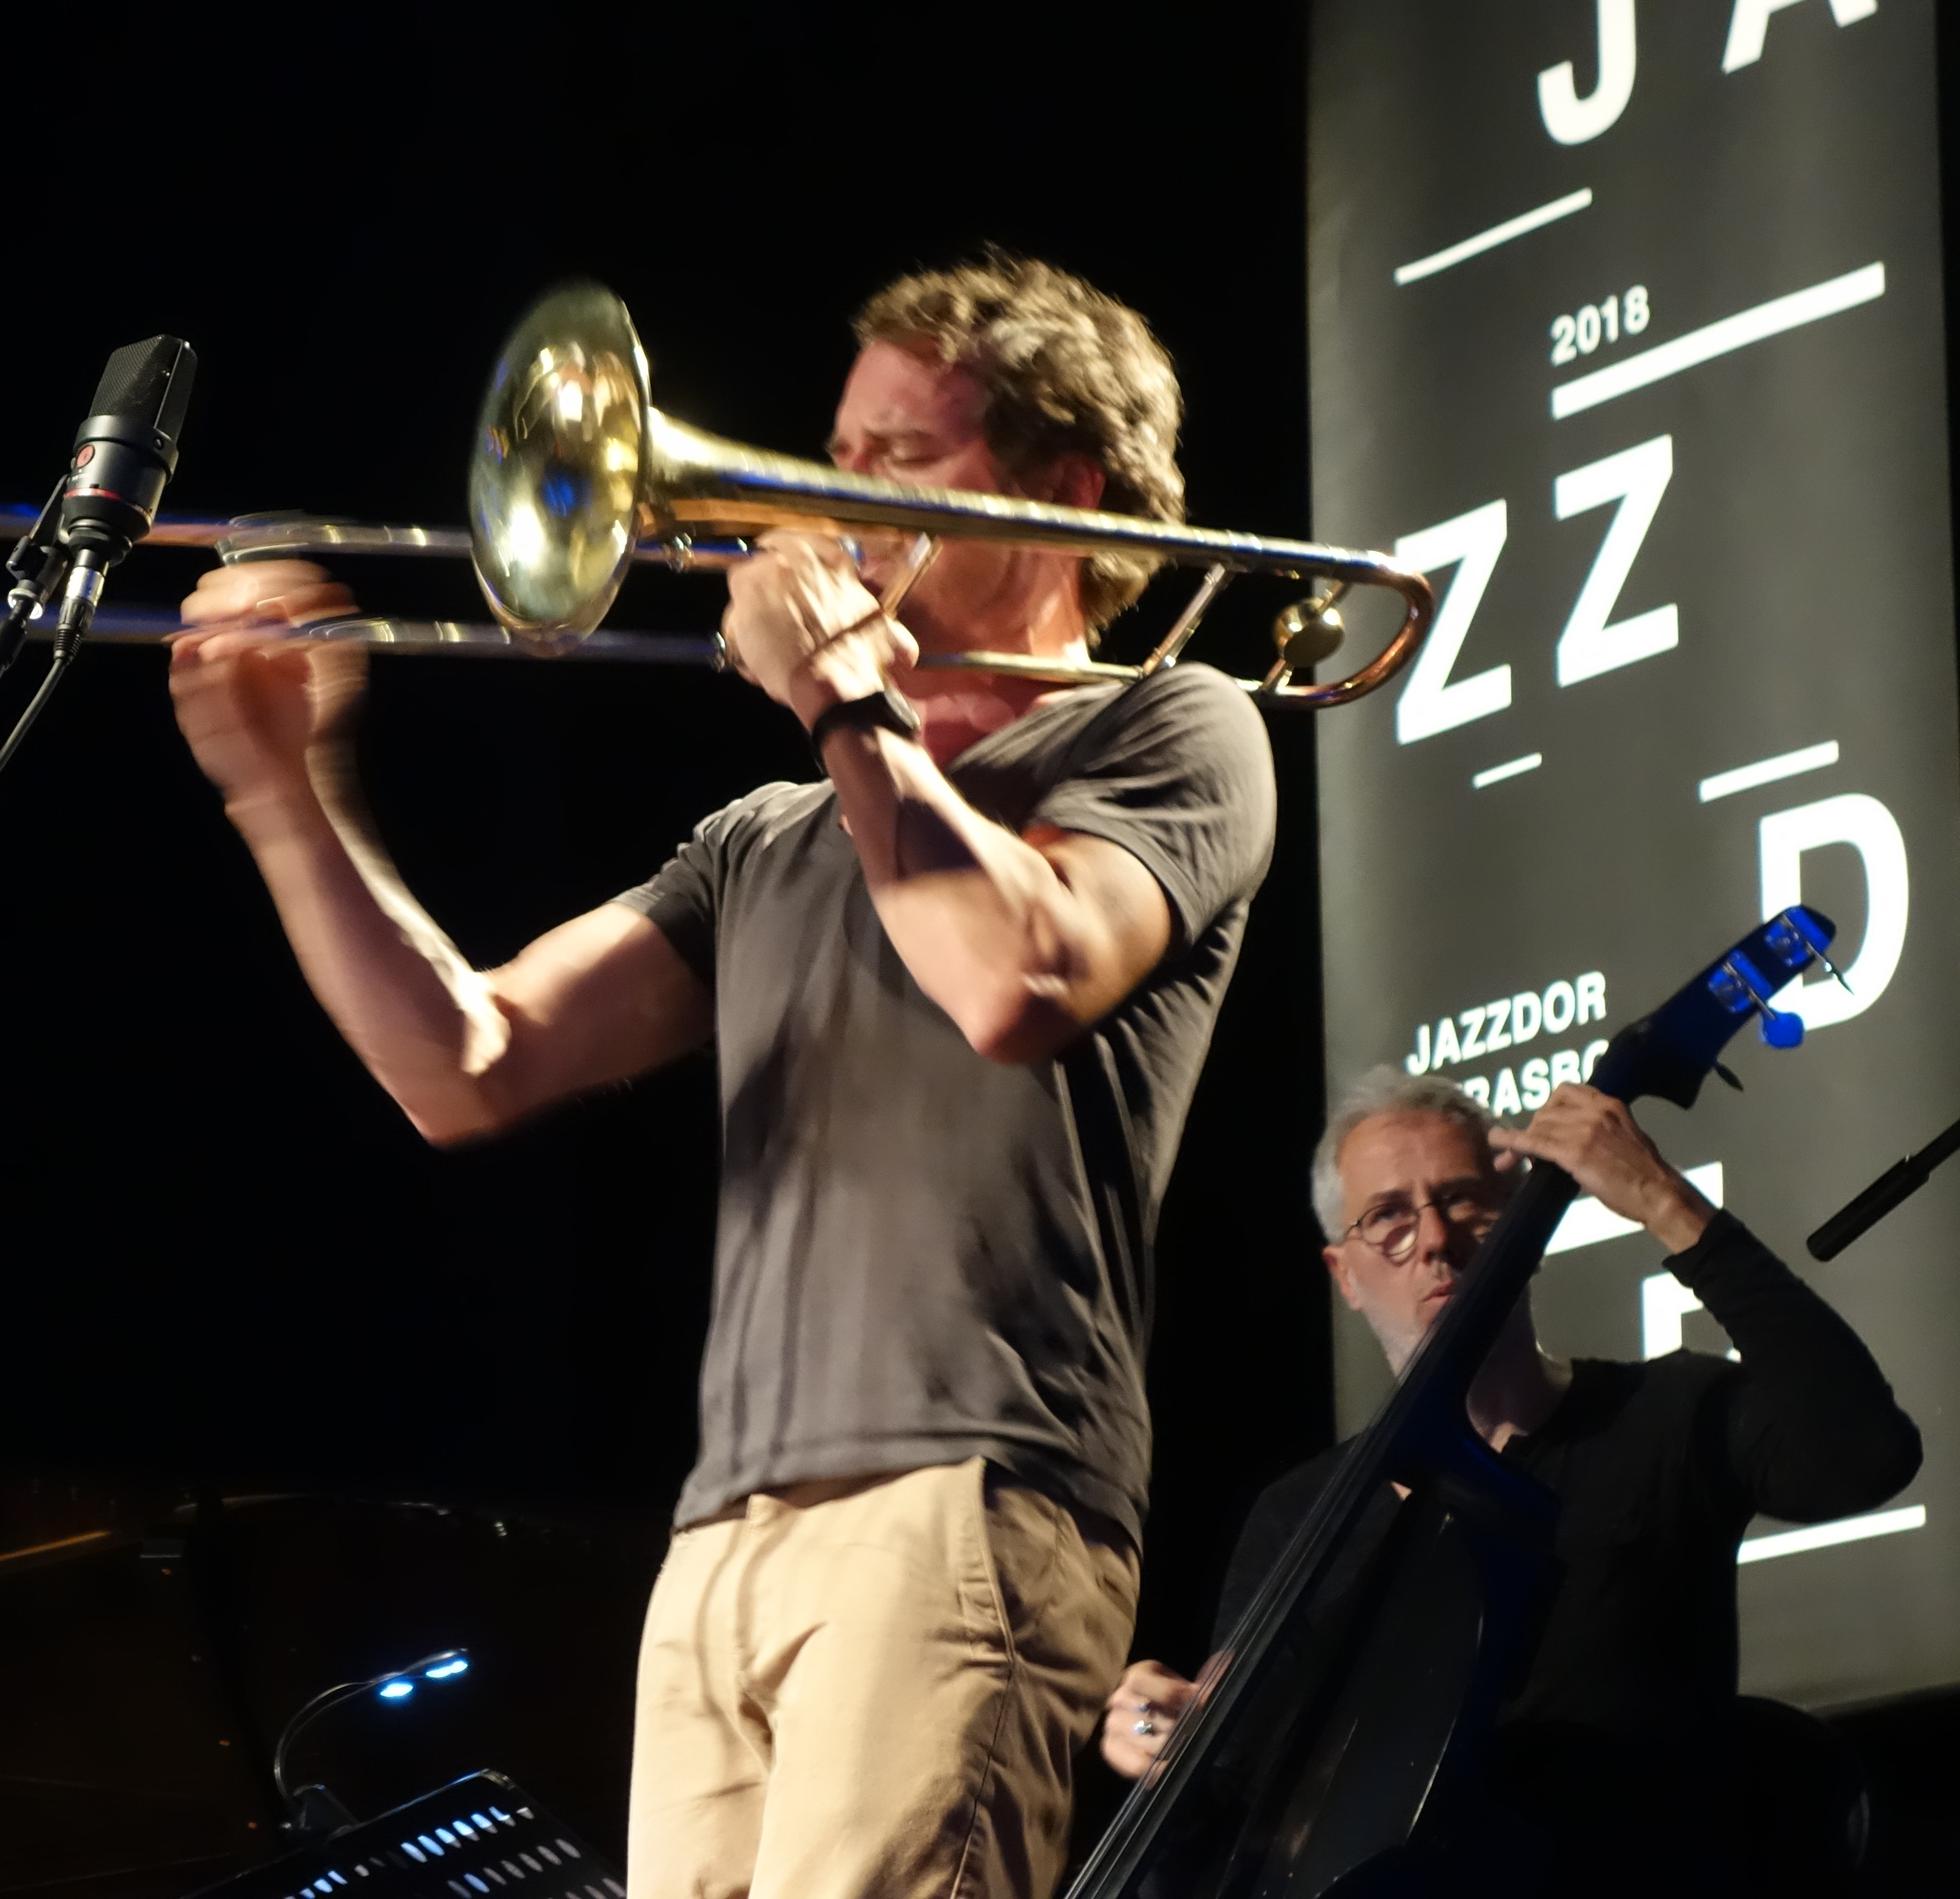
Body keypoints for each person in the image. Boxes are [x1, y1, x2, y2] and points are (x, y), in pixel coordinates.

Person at [170, 250, 1275, 1899]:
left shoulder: (1173, 727)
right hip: (725, 1538)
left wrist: (845, 692)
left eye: (900, 459)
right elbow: (466, 1066)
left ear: (1066, 491)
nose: (832, 501)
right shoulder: (767, 837)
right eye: (836, 451)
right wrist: (288, 792)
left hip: (969, 1496)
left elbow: (1015, 978)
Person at [1100, 1067, 1923, 1893]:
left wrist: (1666, 1203)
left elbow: (1861, 1453)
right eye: (1387, 1217)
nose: (1433, 1240)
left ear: (1525, 1227)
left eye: (1462, 1201)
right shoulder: (1300, 1515)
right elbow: (1238, 1814)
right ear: (1344, 1275)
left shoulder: (1667, 1414)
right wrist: (1163, 1737)